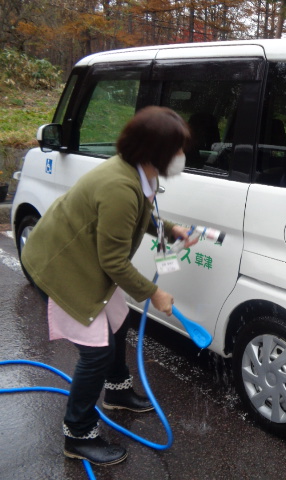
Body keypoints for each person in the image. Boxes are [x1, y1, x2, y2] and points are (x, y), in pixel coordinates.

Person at [21, 106, 198, 466]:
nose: (182, 155)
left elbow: (139, 215)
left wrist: (169, 230)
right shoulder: (119, 186)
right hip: (62, 268)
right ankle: (78, 434)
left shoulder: (138, 172)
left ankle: (117, 392)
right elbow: (113, 262)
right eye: (177, 148)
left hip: (84, 259)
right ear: (156, 152)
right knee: (95, 353)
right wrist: (154, 293)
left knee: (118, 322)